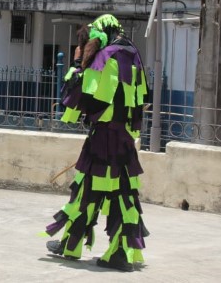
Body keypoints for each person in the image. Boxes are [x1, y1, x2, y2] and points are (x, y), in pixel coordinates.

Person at [43, 14, 149, 272]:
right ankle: (121, 252)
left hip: (102, 139)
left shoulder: (105, 57)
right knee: (124, 196)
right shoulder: (132, 54)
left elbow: (78, 102)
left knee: (87, 192)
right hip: (124, 140)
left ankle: (71, 245)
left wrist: (78, 64)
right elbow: (139, 101)